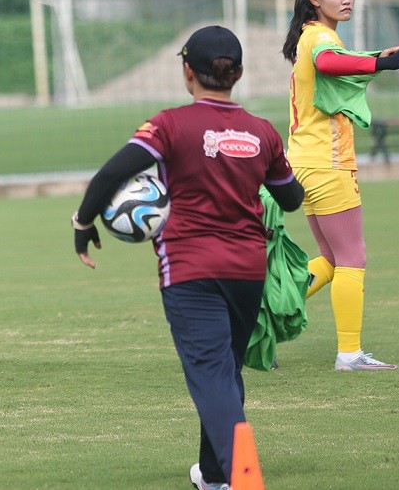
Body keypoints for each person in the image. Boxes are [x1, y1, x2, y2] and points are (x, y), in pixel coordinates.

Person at [71, 25, 304, 490]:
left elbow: (113, 171)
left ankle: (245, 479)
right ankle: (215, 475)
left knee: (212, 376)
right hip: (247, 270)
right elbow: (292, 198)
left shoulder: (170, 125)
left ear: (187, 72)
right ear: (237, 73)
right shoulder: (262, 132)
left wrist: (83, 224)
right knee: (223, 372)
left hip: (190, 271)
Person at [281, 0, 399, 371]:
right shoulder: (320, 37)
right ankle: (349, 354)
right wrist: (386, 61)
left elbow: (336, 62)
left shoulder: (312, 35)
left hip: (305, 163)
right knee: (352, 259)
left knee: (329, 259)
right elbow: (330, 62)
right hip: (327, 164)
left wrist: (381, 56)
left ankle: (260, 313)